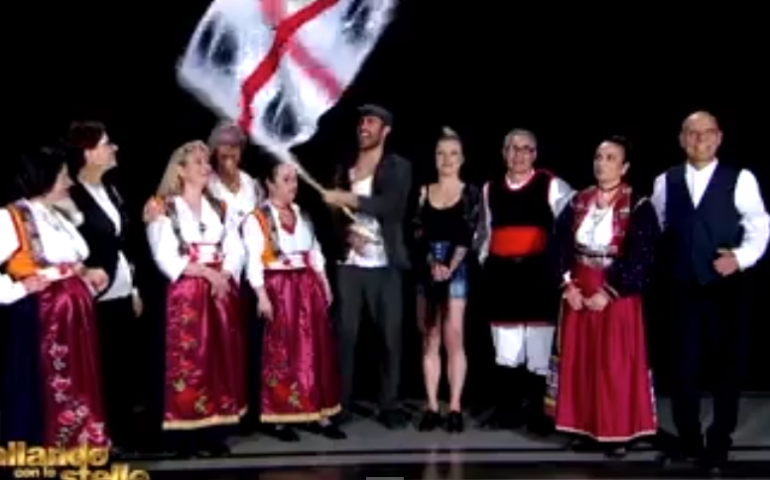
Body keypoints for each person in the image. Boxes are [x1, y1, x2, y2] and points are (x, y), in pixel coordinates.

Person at [651, 112, 769, 473]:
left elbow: (759, 226)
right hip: (681, 289)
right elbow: (658, 227)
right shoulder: (665, 181)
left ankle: (720, 440)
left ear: (718, 138)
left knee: (726, 367)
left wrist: (741, 259)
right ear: (681, 139)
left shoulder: (740, 179)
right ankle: (688, 438)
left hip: (724, 289)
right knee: (683, 366)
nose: (699, 139)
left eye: (706, 133)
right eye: (692, 133)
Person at [548, 137, 659, 457]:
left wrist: (611, 291)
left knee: (614, 364)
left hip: (616, 294)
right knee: (581, 362)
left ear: (624, 167)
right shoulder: (577, 201)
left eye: (610, 158)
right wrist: (567, 286)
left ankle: (617, 431)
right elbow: (558, 245)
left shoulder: (638, 205)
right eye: (598, 156)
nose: (602, 163)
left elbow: (643, 255)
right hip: (579, 290)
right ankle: (582, 427)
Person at [0, 146, 110, 448]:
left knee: (77, 377)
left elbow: (69, 259)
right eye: (63, 176)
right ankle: (45, 447)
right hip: (41, 313)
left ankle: (79, 441)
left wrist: (85, 273)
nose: (69, 182)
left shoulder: (55, 214)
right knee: (44, 381)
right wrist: (17, 289)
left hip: (71, 314)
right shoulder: (12, 217)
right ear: (44, 178)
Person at [145, 140, 247, 456]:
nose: (206, 167)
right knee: (189, 360)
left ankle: (213, 429)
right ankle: (184, 431)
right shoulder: (163, 207)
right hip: (187, 293)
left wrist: (225, 274)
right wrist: (205, 273)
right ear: (181, 170)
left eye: (206, 161)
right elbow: (164, 255)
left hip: (219, 292)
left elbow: (235, 247)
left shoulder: (220, 207)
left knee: (218, 358)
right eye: (198, 162)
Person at [322, 104, 412, 429]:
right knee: (345, 337)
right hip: (350, 265)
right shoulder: (344, 165)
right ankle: (341, 403)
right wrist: (346, 232)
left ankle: (389, 404)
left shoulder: (398, 166)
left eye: (371, 121)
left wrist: (348, 199)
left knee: (389, 339)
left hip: (385, 264)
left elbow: (391, 205)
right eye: (362, 120)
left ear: (385, 130)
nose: (364, 125)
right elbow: (333, 215)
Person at [477, 129, 573, 433]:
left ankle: (539, 414)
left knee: (538, 347)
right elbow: (485, 232)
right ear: (503, 153)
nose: (518, 155)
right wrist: (487, 262)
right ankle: (507, 411)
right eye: (512, 148)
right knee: (506, 346)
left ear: (535, 154)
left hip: (537, 277)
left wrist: (561, 270)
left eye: (525, 149)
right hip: (502, 277)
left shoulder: (551, 184)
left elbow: (569, 226)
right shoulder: (490, 189)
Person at [242, 161, 344, 442]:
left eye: (295, 179)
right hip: (279, 288)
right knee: (282, 353)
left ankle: (319, 413)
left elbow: (314, 251)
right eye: (286, 179)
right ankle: (279, 416)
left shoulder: (301, 214)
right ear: (270, 184)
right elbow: (253, 261)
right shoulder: (257, 219)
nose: (293, 185)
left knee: (315, 350)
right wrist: (261, 295)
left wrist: (324, 281)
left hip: (306, 286)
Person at [64, 121, 146, 453]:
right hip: (94, 295)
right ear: (88, 152)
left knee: (122, 368)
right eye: (107, 143)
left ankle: (121, 434)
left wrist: (135, 288)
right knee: (99, 370)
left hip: (122, 290)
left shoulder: (111, 189)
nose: (114, 148)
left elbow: (124, 242)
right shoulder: (71, 195)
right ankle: (98, 436)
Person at [412, 127, 481, 433]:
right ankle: (431, 406)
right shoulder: (423, 192)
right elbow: (417, 232)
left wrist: (449, 266)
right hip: (428, 267)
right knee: (430, 338)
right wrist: (432, 264)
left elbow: (468, 233)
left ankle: (454, 406)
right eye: (441, 153)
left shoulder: (470, 192)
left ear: (462, 158)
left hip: (457, 266)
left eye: (453, 154)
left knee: (454, 338)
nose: (447, 159)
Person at [206, 121, 263, 223]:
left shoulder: (251, 183)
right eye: (224, 143)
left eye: (234, 145)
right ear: (215, 150)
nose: (229, 149)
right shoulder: (206, 183)